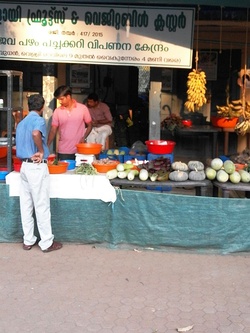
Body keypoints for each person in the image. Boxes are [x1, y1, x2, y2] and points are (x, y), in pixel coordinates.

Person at [15, 94, 62, 253]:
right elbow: (36, 134)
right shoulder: (39, 120)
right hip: (36, 165)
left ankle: (28, 240)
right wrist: (41, 151)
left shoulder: (21, 123)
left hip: (24, 166)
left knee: (26, 204)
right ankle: (47, 242)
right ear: (42, 108)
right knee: (41, 204)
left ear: (29, 106)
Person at [47, 85, 92, 160]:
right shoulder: (57, 111)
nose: (60, 102)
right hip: (63, 151)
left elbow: (90, 125)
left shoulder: (83, 108)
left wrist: (84, 137)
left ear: (68, 97)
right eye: (59, 100)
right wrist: (47, 144)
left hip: (80, 150)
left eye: (61, 99)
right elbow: (53, 130)